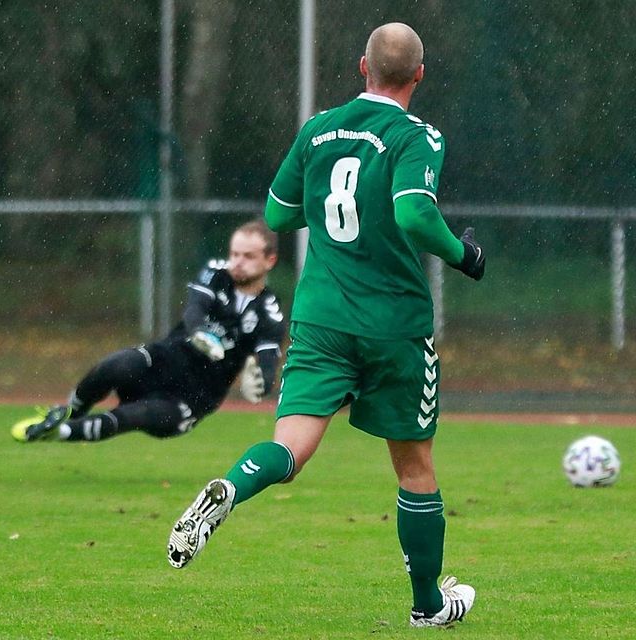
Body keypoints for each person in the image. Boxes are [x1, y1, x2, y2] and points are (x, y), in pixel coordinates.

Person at [166, 23, 486, 629]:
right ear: (419, 75)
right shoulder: (419, 136)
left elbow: (277, 214)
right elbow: (414, 214)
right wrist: (463, 255)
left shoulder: (317, 130)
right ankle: (427, 606)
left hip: (320, 319)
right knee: (414, 465)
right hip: (393, 325)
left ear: (360, 66)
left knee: (291, 447)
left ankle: (231, 489)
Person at [10, 219, 286, 444]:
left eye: (248, 257)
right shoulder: (217, 272)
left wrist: (262, 382)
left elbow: (269, 360)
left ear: (269, 260)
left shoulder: (269, 312)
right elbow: (195, 310)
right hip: (165, 360)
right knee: (117, 364)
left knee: (134, 415)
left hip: (192, 396)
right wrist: (200, 333)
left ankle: (59, 433)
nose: (237, 262)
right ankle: (67, 413)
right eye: (235, 254)